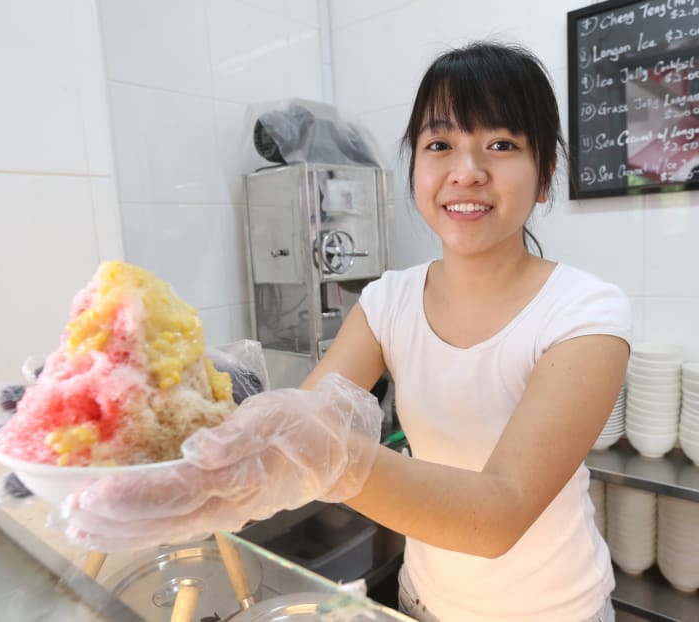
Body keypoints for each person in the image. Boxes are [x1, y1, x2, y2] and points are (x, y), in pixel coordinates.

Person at [64, 42, 631, 621]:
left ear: (545, 176)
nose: (467, 172)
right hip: (424, 603)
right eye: (440, 145)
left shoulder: (584, 313)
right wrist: (160, 415)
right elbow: (305, 422)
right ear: (415, 167)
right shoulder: (389, 302)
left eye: (501, 145)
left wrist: (335, 460)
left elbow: (499, 514)